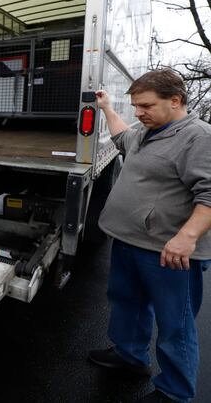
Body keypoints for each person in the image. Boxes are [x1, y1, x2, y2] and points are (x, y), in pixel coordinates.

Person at [89, 69, 211, 403]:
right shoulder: (146, 131)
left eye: (146, 105)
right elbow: (120, 137)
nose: (139, 112)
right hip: (131, 242)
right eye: (135, 105)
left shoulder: (199, 137)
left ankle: (175, 392)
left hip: (170, 252)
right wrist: (108, 109)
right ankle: (130, 356)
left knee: (176, 324)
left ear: (176, 100)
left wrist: (187, 236)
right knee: (128, 303)